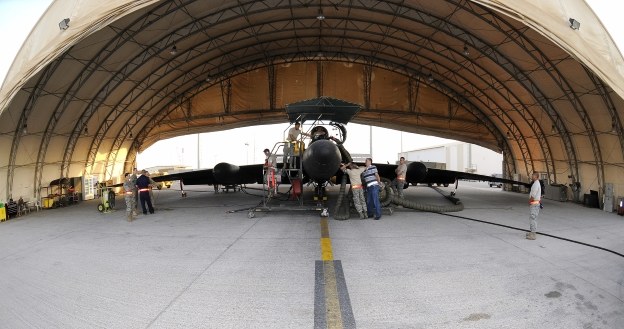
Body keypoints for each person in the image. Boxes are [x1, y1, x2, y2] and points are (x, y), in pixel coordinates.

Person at [526, 172, 542, 240]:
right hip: (535, 203)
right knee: (532, 218)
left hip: (534, 204)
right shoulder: (536, 183)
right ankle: (532, 232)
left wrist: (530, 201)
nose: (532, 177)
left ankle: (533, 234)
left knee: (533, 218)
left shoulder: (536, 184)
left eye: (533, 176)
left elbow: (533, 195)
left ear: (536, 176)